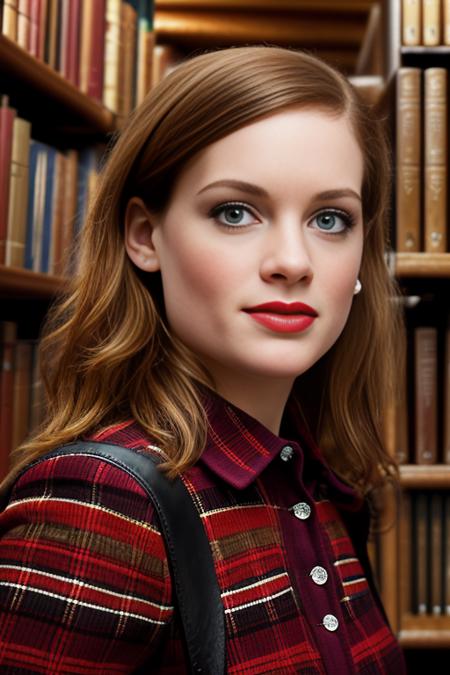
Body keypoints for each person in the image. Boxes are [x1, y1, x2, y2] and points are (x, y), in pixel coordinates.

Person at [0, 46, 406, 673]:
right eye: (235, 212)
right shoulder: (103, 504)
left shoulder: (321, 484)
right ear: (145, 236)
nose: (293, 262)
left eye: (330, 218)